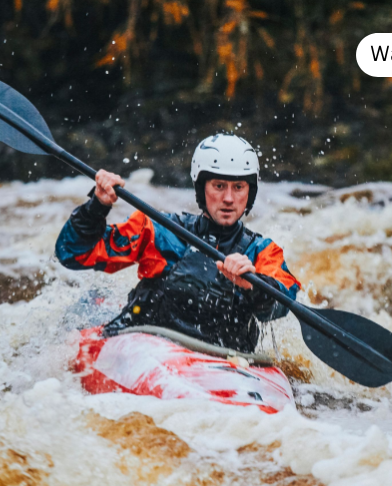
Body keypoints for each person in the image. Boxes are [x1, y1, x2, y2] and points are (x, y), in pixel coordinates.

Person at [55, 134, 301, 353]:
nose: (228, 198)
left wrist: (253, 284)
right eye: (218, 186)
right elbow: (73, 254)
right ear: (201, 188)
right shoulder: (159, 231)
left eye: (238, 187)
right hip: (146, 348)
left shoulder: (262, 252)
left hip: (224, 363)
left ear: (250, 192)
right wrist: (97, 206)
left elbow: (280, 306)